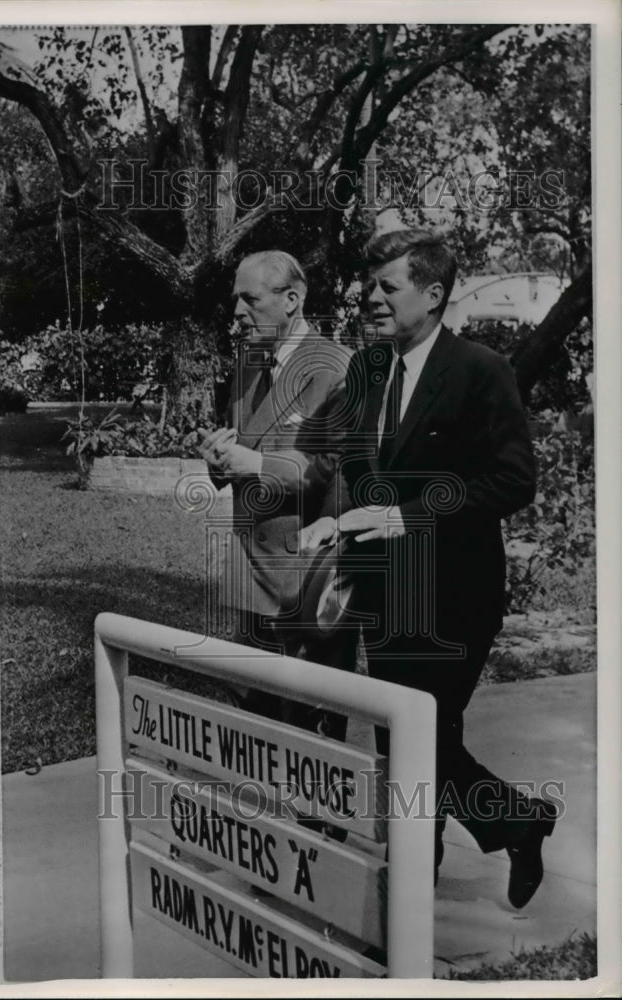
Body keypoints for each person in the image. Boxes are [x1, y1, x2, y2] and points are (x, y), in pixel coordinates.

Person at [300, 228, 557, 907]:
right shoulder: (368, 371)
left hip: (454, 595)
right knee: (409, 738)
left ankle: (495, 832)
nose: (371, 297)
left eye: (388, 286)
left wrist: (404, 519)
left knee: (421, 737)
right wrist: (336, 514)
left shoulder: (480, 370)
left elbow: (512, 482)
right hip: (385, 593)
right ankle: (467, 849)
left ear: (433, 293)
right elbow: (351, 467)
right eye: (369, 285)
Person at [197, 250, 353, 736]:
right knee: (255, 722)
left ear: (292, 299)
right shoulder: (249, 362)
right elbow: (240, 448)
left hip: (305, 577)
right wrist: (218, 459)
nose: (238, 313)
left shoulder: (335, 366)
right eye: (235, 301)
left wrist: (256, 463)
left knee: (312, 731)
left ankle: (316, 816)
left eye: (250, 299)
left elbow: (334, 468)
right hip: (250, 573)